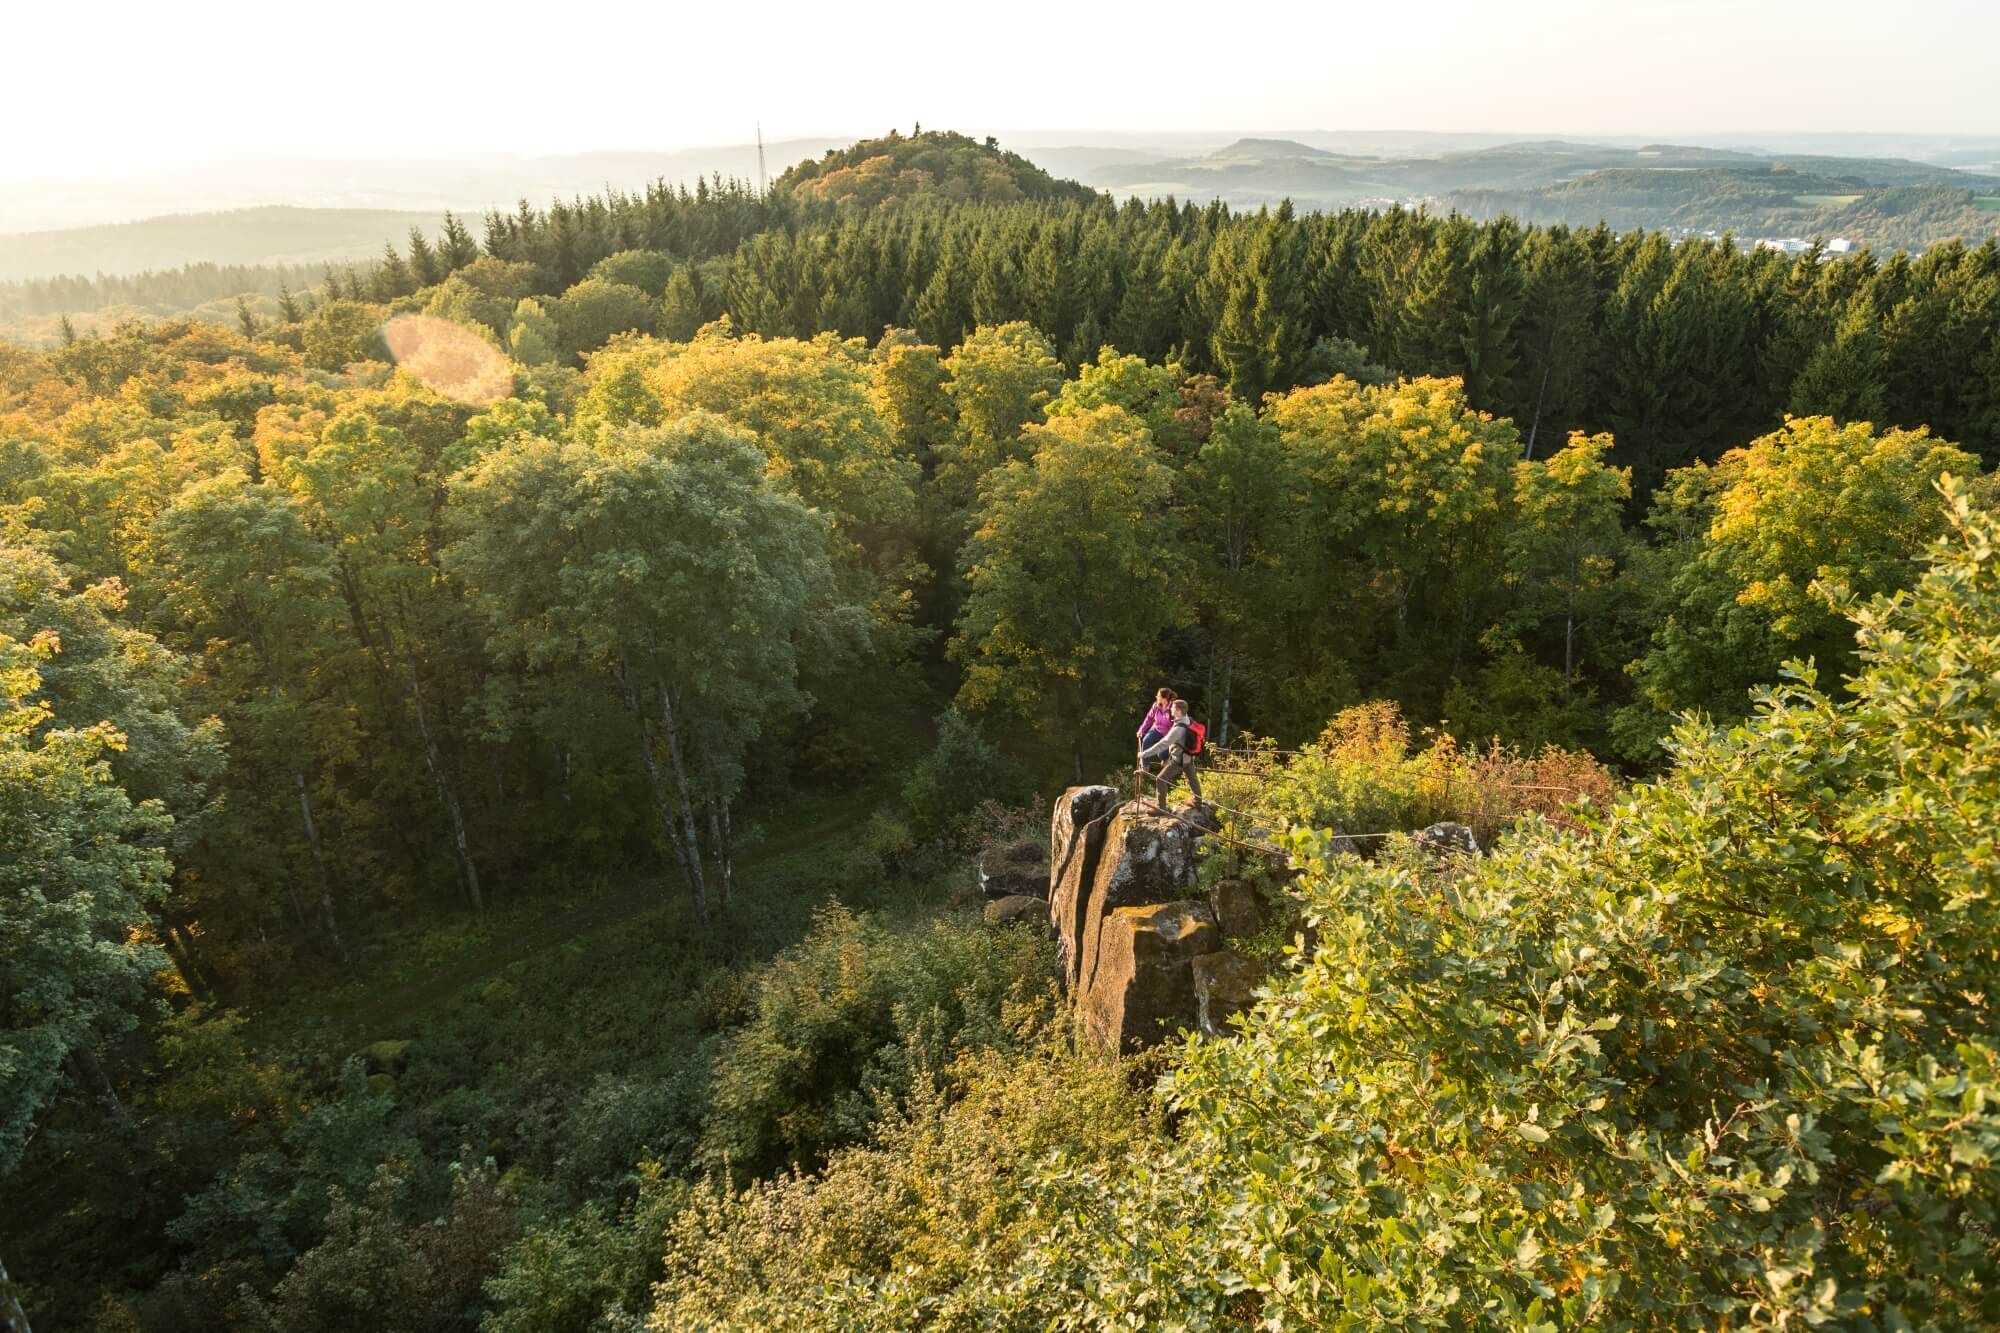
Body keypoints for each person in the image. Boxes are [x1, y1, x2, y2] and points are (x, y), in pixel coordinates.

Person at [1137, 698, 1203, 811]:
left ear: (1178, 711)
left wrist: (1144, 754)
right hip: (1188, 757)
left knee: (1160, 779)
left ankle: (1161, 808)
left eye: (1173, 708)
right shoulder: (1188, 720)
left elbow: (1162, 744)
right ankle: (1198, 802)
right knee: (1193, 779)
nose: (1171, 709)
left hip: (1179, 759)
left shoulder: (1178, 729)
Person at [1136, 687, 1176, 758]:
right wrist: (1141, 730)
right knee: (1146, 741)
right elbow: (1149, 718)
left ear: (1164, 698)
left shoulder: (1173, 708)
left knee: (1162, 754)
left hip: (1168, 734)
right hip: (1157, 729)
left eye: (1158, 696)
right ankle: (1144, 764)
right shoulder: (1155, 705)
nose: (1156, 697)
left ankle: (1165, 759)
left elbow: (1176, 725)